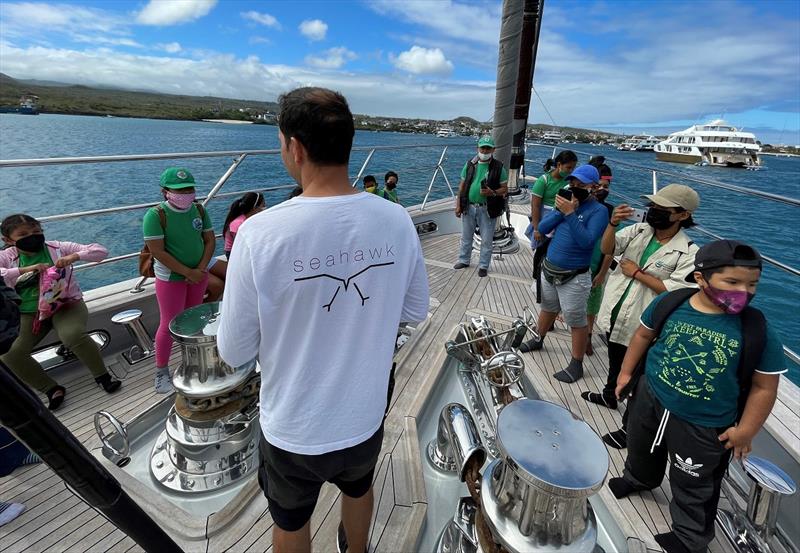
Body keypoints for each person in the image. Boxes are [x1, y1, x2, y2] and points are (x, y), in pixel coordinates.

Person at [217, 87, 429, 553]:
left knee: (291, 521)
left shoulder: (259, 233)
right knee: (358, 488)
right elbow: (415, 311)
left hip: (295, 424)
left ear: (294, 146)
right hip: (366, 410)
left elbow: (233, 351)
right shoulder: (395, 220)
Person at [607, 240, 785, 553]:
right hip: (652, 396)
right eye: (732, 282)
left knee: (695, 482)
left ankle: (690, 537)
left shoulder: (758, 330)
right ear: (700, 278)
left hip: (705, 423)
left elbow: (764, 386)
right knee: (639, 445)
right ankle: (638, 478)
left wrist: (747, 430)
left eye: (752, 284)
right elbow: (644, 335)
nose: (744, 291)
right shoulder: (671, 304)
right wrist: (625, 374)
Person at [581, 184, 700, 449]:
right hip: (617, 312)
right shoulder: (639, 230)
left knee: (637, 381)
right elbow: (607, 247)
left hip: (645, 324)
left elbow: (676, 291)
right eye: (653, 207)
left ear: (682, 215)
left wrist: (636, 273)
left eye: (662, 209)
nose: (654, 212)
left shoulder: (689, 252)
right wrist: (612, 224)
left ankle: (628, 430)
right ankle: (610, 396)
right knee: (615, 359)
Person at [0, 214, 121, 409]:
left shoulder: (56, 247)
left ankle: (103, 376)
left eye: (37, 232)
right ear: (8, 240)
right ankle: (51, 388)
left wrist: (75, 256)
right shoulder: (7, 257)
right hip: (30, 313)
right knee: (9, 354)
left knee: (72, 334)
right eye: (23, 234)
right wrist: (24, 270)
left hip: (66, 306)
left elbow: (100, 251)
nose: (32, 236)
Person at [517, 165, 609, 383]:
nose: (575, 187)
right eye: (573, 183)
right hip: (549, 268)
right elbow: (541, 228)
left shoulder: (599, 211)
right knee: (547, 308)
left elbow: (587, 241)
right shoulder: (567, 205)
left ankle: (576, 363)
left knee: (575, 320)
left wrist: (571, 214)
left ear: (593, 187)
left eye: (581, 185)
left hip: (575, 275)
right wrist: (560, 211)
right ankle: (538, 338)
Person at [143, 167, 216, 394]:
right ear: (165, 192)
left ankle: (193, 359)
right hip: (171, 277)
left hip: (198, 274)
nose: (185, 193)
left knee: (194, 319)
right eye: (179, 190)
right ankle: (161, 371)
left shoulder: (199, 210)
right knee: (169, 323)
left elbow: (210, 240)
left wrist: (201, 268)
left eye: (189, 189)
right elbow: (158, 252)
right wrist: (187, 272)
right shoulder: (155, 216)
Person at [453, 136, 509, 277]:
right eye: (482, 147)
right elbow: (462, 186)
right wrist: (458, 205)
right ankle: (464, 260)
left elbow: (504, 189)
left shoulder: (499, 167)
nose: (485, 150)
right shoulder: (470, 164)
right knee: (466, 236)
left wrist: (492, 192)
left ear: (493, 150)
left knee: (486, 240)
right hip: (468, 206)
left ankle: (483, 265)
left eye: (488, 148)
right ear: (477, 148)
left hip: (487, 209)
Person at [585, 158, 614, 355]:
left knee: (592, 304)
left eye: (607, 186)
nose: (602, 189)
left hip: (595, 264)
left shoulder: (610, 212)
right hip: (575, 262)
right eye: (599, 185)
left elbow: (611, 247)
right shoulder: (579, 205)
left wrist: (603, 272)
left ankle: (587, 335)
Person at [529, 150, 578, 247]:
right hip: (545, 219)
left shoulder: (570, 181)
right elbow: (535, 206)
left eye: (573, 168)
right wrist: (536, 229)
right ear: (559, 165)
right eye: (568, 167)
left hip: (560, 218)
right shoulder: (543, 181)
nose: (571, 171)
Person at [222, 192, 266, 259]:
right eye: (263, 205)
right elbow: (241, 243)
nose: (265, 208)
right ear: (255, 208)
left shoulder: (249, 219)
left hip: (242, 249)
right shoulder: (238, 223)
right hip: (233, 253)